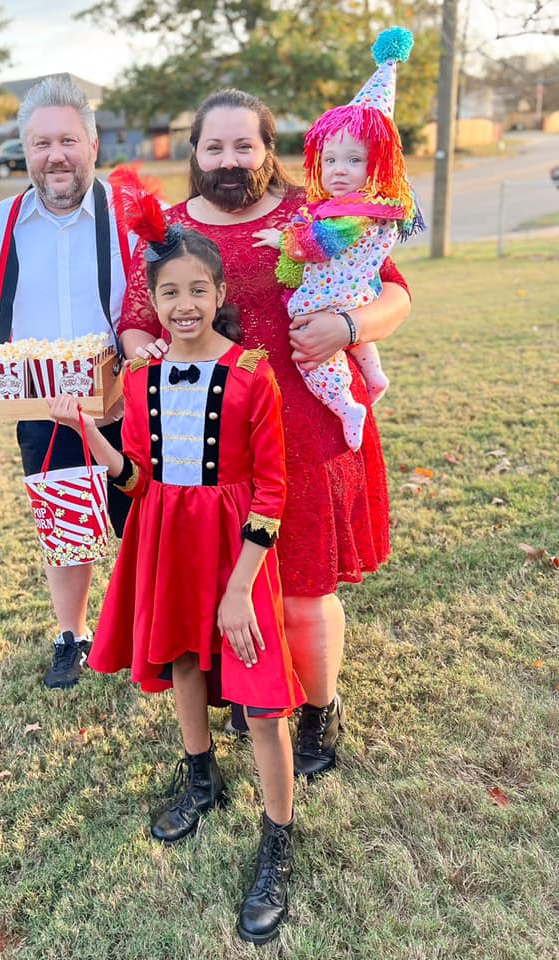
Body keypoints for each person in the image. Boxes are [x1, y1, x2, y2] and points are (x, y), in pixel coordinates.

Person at [119, 85, 411, 777]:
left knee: (303, 589)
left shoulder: (319, 210)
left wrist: (348, 327)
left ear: (268, 150)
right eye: (214, 146)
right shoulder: (168, 231)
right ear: (194, 153)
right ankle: (252, 690)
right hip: (209, 446)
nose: (229, 159)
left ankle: (319, 708)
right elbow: (136, 317)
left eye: (243, 146)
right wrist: (139, 345)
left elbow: (393, 290)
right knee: (228, 585)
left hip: (306, 429)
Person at [49, 186, 305, 944]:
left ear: (220, 294)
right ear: (152, 302)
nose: (184, 305)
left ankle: (278, 839)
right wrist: (91, 436)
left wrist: (240, 588)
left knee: (261, 697)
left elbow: (271, 490)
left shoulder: (253, 374)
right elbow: (137, 478)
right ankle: (201, 777)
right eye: (169, 293)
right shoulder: (139, 379)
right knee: (186, 658)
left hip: (237, 552)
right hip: (169, 540)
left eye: (198, 290)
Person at [0, 74, 135, 690]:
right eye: (41, 143)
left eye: (68, 141)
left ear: (93, 144)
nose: (56, 156)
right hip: (41, 404)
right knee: (65, 522)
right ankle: (72, 635)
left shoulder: (130, 216)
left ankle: (159, 627)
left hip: (129, 400)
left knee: (149, 520)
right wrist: (1, 362)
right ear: (25, 150)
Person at [253, 27, 423, 452]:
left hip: (331, 298)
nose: (339, 169)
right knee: (355, 337)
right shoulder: (378, 205)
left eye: (354, 159)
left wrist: (285, 240)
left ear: (379, 164)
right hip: (356, 293)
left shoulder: (354, 213)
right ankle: (375, 374)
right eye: (330, 159)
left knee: (311, 352)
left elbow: (314, 245)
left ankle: (345, 404)